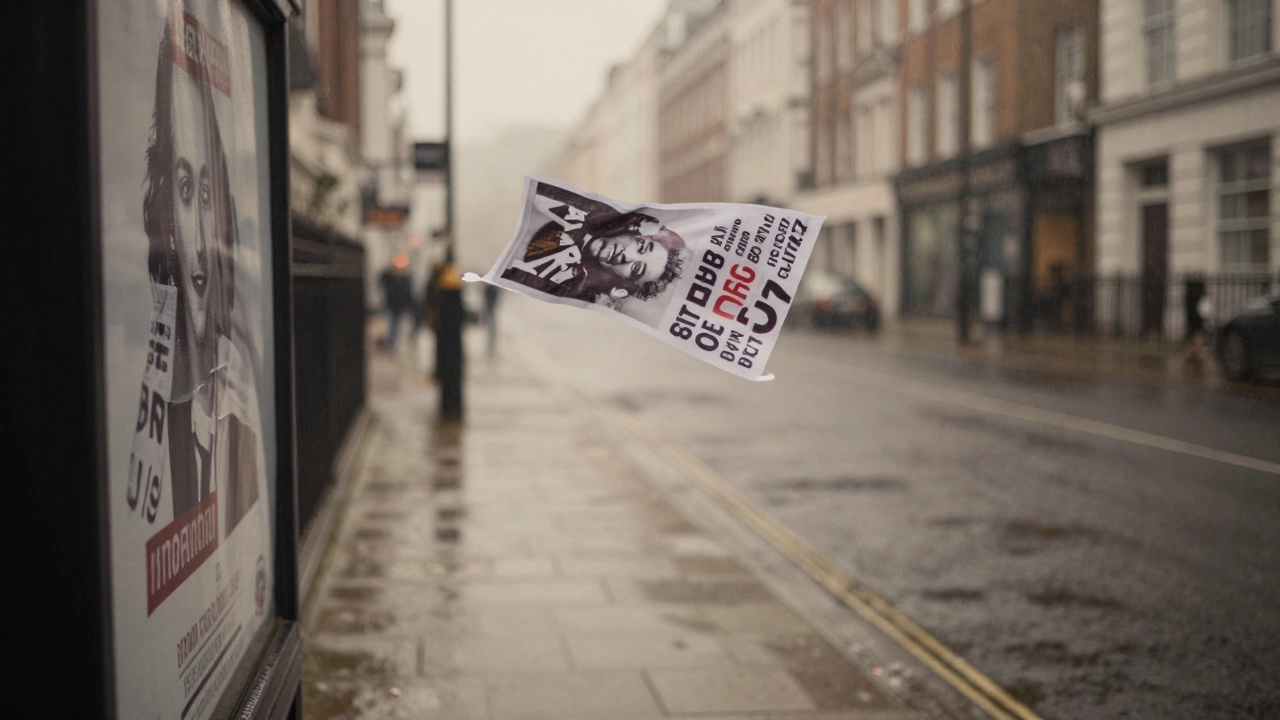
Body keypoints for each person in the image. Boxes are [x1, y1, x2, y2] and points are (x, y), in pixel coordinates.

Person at [141, 9, 258, 530]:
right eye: (186, 190)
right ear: (164, 218)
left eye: (208, 193)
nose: (202, 232)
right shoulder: (155, 396)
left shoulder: (242, 399)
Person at [502, 183, 687, 304]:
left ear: (622, 286)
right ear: (635, 234)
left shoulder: (565, 288)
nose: (627, 255)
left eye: (636, 268)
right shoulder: (586, 211)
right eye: (640, 246)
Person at [379, 252, 413, 350]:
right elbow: (382, 281)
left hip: (399, 304)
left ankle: (393, 343)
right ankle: (391, 343)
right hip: (391, 303)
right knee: (392, 324)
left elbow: (407, 292)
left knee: (396, 325)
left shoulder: (405, 277)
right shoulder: (390, 276)